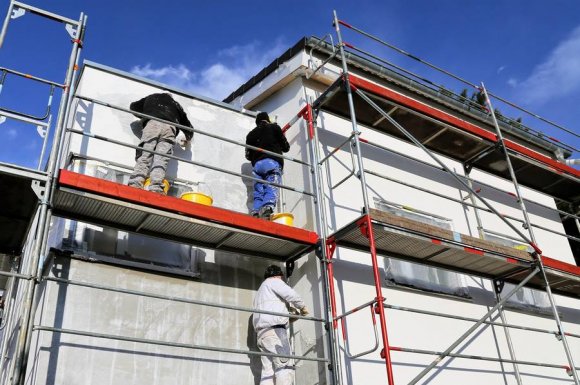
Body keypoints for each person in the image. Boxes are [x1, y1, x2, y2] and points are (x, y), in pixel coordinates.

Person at [252, 264, 309, 385]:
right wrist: (302, 306)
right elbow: (291, 294)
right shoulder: (274, 281)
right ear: (278, 276)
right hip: (275, 332)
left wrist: (290, 317)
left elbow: (271, 313)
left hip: (262, 335)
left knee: (268, 372)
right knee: (284, 365)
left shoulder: (260, 292)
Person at [127, 93, 193, 194]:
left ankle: (135, 183)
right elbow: (188, 127)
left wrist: (144, 115)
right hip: (170, 128)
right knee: (161, 159)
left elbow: (133, 107)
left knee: (145, 155)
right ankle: (156, 188)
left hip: (152, 124)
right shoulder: (176, 105)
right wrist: (187, 138)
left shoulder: (151, 97)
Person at [245, 112, 290, 218]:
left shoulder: (250, 135)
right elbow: (286, 147)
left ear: (257, 123)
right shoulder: (274, 127)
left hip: (257, 166)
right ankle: (267, 208)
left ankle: (255, 211)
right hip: (271, 161)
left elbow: (248, 156)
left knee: (258, 190)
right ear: (267, 120)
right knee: (271, 185)